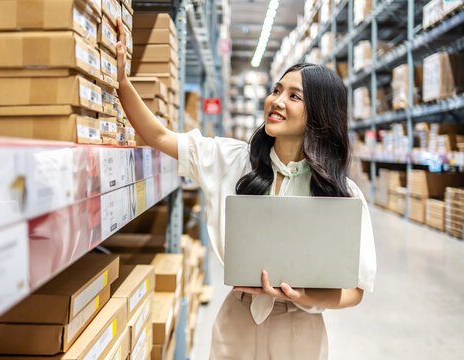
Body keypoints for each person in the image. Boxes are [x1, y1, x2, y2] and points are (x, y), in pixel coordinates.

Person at [115, 16, 376, 360]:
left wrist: (300, 295)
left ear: (320, 114)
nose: (277, 101)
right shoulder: (233, 161)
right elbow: (159, 136)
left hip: (299, 330)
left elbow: (355, 291)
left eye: (293, 95)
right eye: (276, 90)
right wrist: (120, 81)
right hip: (236, 320)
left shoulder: (343, 195)